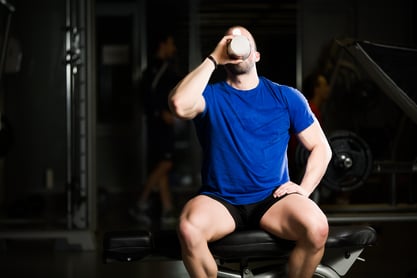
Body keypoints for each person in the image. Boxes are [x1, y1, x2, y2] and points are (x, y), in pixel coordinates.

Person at [168, 26, 332, 278]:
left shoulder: (286, 97)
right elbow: (179, 104)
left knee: (317, 228)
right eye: (230, 41)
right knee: (189, 228)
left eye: (243, 40)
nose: (237, 44)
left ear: (255, 55)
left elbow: (321, 147)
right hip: (221, 200)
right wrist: (213, 59)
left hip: (272, 198)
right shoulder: (209, 97)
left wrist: (304, 189)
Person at [129, 31, 181, 227]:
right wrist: (161, 113)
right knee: (166, 163)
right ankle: (140, 202)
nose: (173, 48)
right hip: (158, 126)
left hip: (161, 125)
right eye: (171, 43)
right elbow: (147, 96)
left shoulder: (165, 68)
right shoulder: (155, 70)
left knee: (163, 167)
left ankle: (167, 210)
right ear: (162, 45)